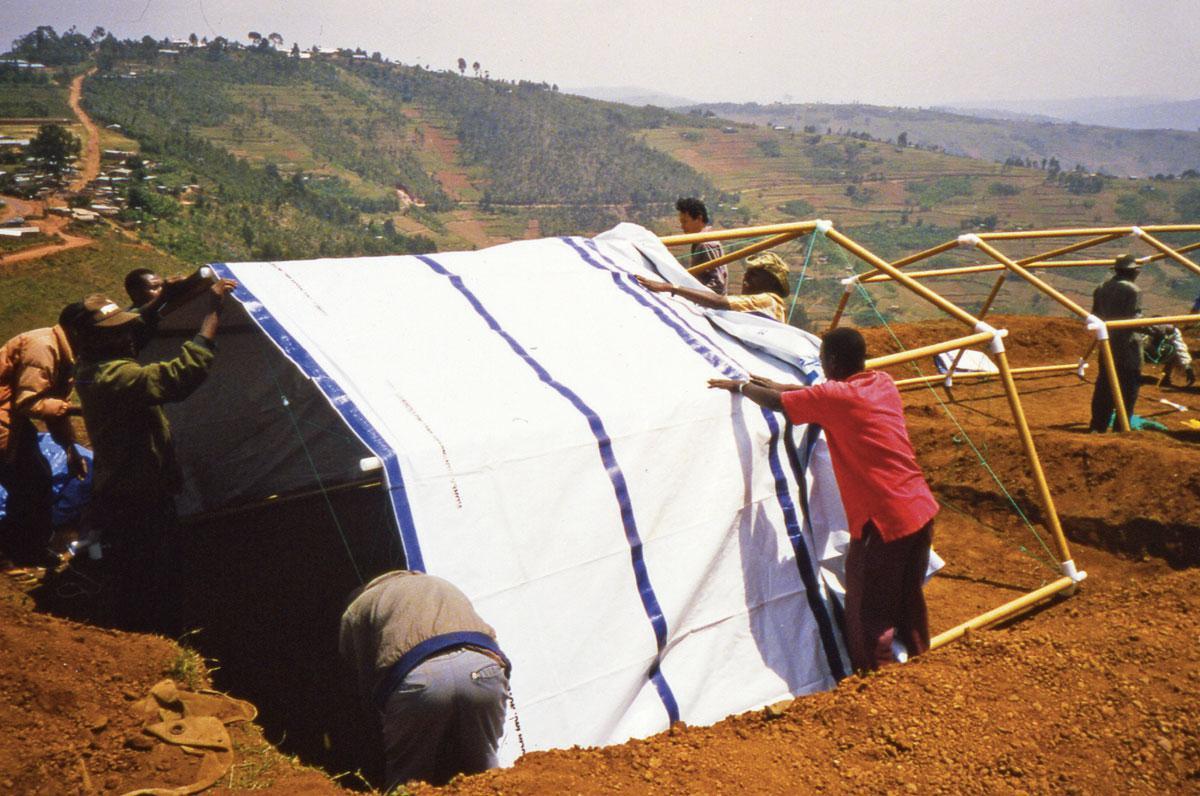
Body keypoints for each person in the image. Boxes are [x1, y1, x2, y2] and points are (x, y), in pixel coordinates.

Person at [708, 327, 938, 672]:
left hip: (884, 519)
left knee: (868, 609)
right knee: (907, 596)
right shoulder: (881, 383)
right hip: (920, 508)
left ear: (831, 360)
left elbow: (782, 405)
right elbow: (815, 394)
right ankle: (924, 665)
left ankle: (879, 683)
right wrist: (771, 384)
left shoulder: (836, 399)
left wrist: (743, 388)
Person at [73, 279, 236, 633]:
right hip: (137, 492)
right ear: (92, 340)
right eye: (115, 333)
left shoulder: (94, 364)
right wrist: (212, 312)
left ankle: (143, 625)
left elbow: (139, 324)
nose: (126, 337)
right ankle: (152, 636)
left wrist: (165, 298)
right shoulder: (114, 375)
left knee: (139, 567)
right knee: (150, 570)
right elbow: (182, 375)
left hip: (126, 488)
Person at [339, 570, 510, 788]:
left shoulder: (357, 607)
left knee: (408, 781)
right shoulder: (440, 582)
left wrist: (378, 723)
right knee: (485, 770)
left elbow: (364, 676)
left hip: (421, 678)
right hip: (483, 668)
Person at [0, 304, 88, 566]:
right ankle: (23, 550)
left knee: (33, 481)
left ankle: (19, 546)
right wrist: (77, 409)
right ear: (77, 329)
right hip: (5, 419)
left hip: (11, 419)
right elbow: (29, 402)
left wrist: (70, 450)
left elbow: (52, 406)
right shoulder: (44, 348)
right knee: (32, 482)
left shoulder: (65, 352)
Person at [636, 251, 791, 323]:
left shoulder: (769, 301)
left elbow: (719, 302)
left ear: (771, 282)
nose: (746, 278)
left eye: (754, 275)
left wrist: (672, 288)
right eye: (746, 273)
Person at [1089, 254, 1144, 432]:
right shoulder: (1133, 291)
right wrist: (1156, 328)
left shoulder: (1101, 288)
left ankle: (1098, 425)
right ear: (1131, 272)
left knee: (1104, 386)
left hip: (1107, 343)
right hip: (1128, 347)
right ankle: (1121, 428)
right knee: (1128, 389)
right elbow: (1134, 320)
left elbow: (1095, 315)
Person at [676, 197, 727, 294]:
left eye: (685, 221)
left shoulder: (706, 244)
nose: (682, 226)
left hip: (709, 306)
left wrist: (691, 294)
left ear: (699, 218)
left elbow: (718, 284)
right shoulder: (699, 242)